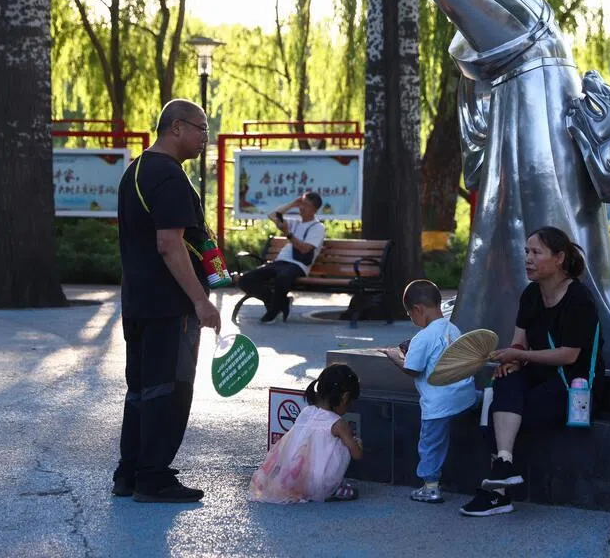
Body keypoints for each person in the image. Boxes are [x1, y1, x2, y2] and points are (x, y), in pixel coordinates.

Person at [392, 0, 610, 373]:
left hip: (561, 127)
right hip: (524, 133)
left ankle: (602, 328)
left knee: (582, 225)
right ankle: (511, 325)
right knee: (539, 220)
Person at [112, 99, 222, 504]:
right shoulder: (171, 178)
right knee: (169, 390)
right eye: (201, 128)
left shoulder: (135, 171)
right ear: (176, 127)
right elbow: (169, 244)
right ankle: (154, 477)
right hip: (169, 307)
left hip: (137, 302)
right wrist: (201, 301)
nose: (204, 138)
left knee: (140, 389)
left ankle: (130, 472)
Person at [459, 226, 603, 517]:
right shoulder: (531, 294)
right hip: (538, 377)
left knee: (497, 410)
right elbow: (519, 340)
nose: (528, 258)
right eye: (526, 251)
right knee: (503, 381)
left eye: (536, 252)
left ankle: (497, 493)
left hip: (574, 386)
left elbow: (569, 354)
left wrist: (519, 355)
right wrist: (512, 360)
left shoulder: (579, 299)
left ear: (560, 258)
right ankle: (503, 466)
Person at [381, 280, 479, 504]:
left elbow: (412, 370)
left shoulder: (422, 337)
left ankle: (431, 487)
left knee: (430, 444)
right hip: (465, 397)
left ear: (418, 309)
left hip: (438, 405)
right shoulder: (454, 329)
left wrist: (394, 356)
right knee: (475, 402)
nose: (412, 319)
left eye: (410, 314)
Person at [249, 364, 364, 503]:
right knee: (347, 442)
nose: (348, 408)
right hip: (320, 483)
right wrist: (357, 443)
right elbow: (357, 455)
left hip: (296, 478)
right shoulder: (338, 423)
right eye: (349, 403)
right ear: (345, 397)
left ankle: (311, 487)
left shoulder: (306, 412)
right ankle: (333, 487)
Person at [238, 191, 325, 322]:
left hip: (298, 265)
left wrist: (288, 233)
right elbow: (272, 215)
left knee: (282, 278)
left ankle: (273, 310)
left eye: (306, 205)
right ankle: (278, 302)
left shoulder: (318, 227)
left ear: (314, 208)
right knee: (246, 279)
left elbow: (304, 248)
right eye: (301, 204)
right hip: (280, 262)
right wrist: (292, 204)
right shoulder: (295, 222)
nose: (301, 207)